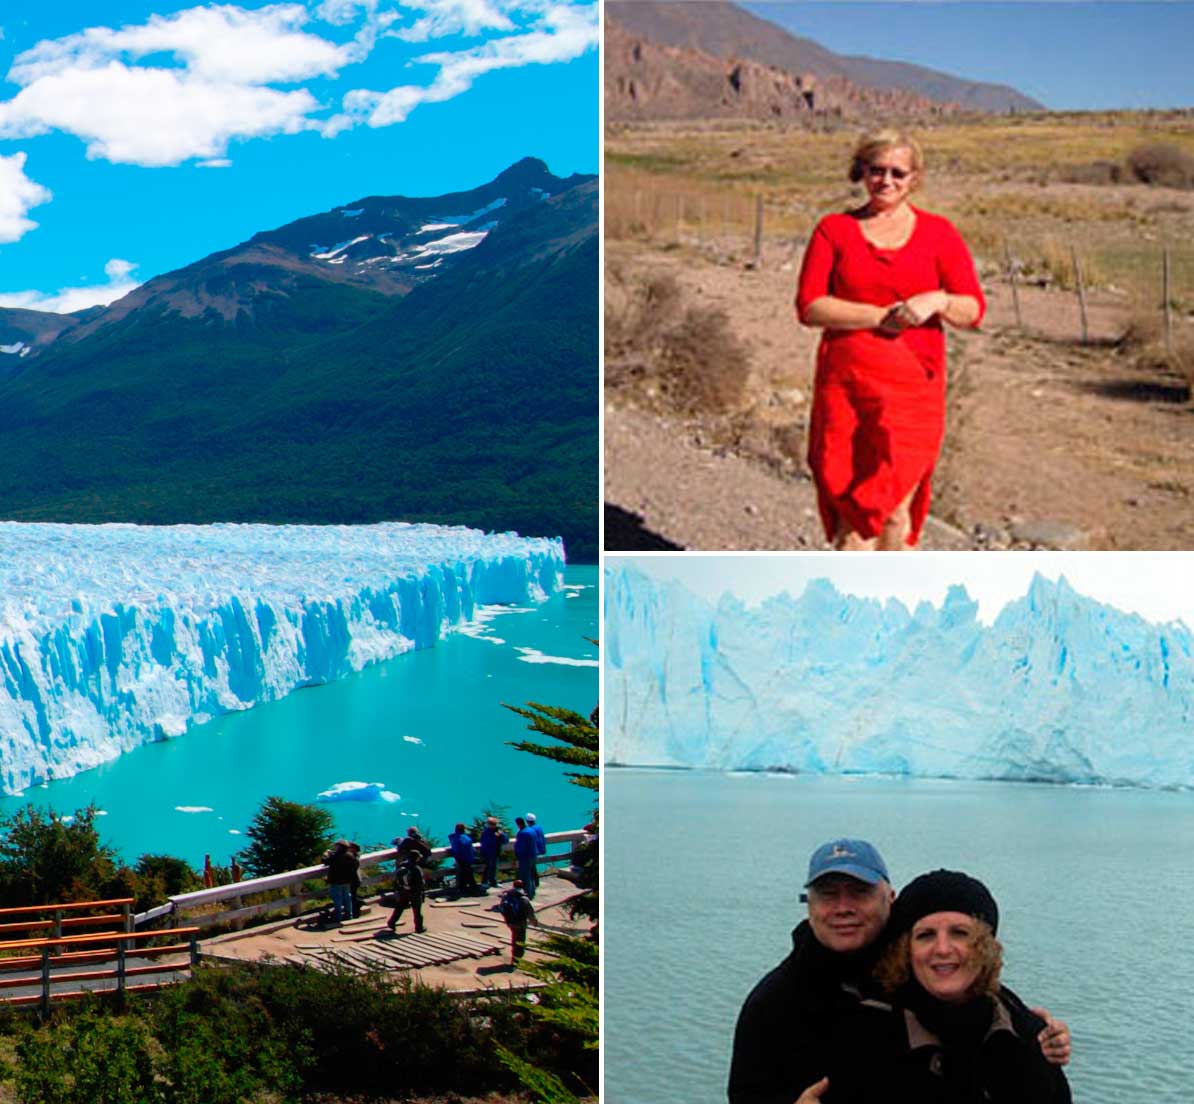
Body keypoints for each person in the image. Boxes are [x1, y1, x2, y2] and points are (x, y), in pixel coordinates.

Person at [728, 839, 1069, 1104]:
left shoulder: (1011, 1022)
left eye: (859, 892)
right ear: (809, 906)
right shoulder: (778, 1004)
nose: (843, 907)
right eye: (828, 895)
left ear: (889, 900)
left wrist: (1041, 1031)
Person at [796, 130, 985, 551]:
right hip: (846, 391)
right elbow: (810, 307)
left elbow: (973, 309)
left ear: (914, 178)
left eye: (897, 172)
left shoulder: (939, 234)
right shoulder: (835, 230)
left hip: (913, 394)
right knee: (854, 510)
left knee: (895, 510)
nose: (886, 180)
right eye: (876, 170)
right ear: (861, 172)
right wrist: (882, 316)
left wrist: (937, 300)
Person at [854, 869, 1072, 1103]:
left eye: (960, 933)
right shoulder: (866, 1034)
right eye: (925, 935)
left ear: (985, 946)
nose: (943, 949)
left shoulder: (1024, 1032)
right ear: (905, 951)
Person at [497, 878, 538, 966]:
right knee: (520, 941)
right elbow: (530, 912)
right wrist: (534, 922)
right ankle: (516, 960)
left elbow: (501, 908)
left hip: (510, 922)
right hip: (520, 923)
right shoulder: (523, 899)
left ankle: (514, 957)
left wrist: (507, 918)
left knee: (514, 938)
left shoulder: (507, 896)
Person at [386, 850, 426, 933]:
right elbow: (420, 883)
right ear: (416, 858)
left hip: (403, 890)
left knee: (399, 908)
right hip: (414, 892)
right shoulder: (416, 868)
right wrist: (421, 892)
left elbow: (397, 877)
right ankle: (419, 927)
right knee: (417, 911)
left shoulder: (402, 865)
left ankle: (391, 922)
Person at [323, 839, 358, 924]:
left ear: (339, 847)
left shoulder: (336, 856)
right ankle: (349, 915)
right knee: (347, 898)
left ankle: (338, 916)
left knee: (337, 899)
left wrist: (326, 855)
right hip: (347, 880)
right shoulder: (350, 856)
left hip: (336, 881)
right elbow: (356, 865)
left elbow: (325, 861)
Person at [448, 822, 480, 897]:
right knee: (468, 874)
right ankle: (472, 889)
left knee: (464, 874)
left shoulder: (455, 838)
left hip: (460, 858)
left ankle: (464, 889)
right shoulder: (467, 838)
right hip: (468, 858)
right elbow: (472, 849)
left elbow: (453, 842)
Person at [479, 816, 509, 888]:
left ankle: (493, 882)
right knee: (488, 867)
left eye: (494, 824)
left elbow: (505, 841)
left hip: (495, 852)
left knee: (494, 868)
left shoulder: (497, 832)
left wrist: (501, 835)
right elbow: (485, 842)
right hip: (488, 852)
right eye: (492, 824)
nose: (493, 826)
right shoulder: (486, 832)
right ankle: (485, 882)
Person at [513, 816, 539, 898]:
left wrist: (517, 857)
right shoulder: (532, 830)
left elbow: (520, 847)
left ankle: (528, 894)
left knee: (525, 876)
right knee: (531, 875)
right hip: (533, 855)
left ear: (518, 824)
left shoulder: (523, 833)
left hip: (525, 857)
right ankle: (532, 891)